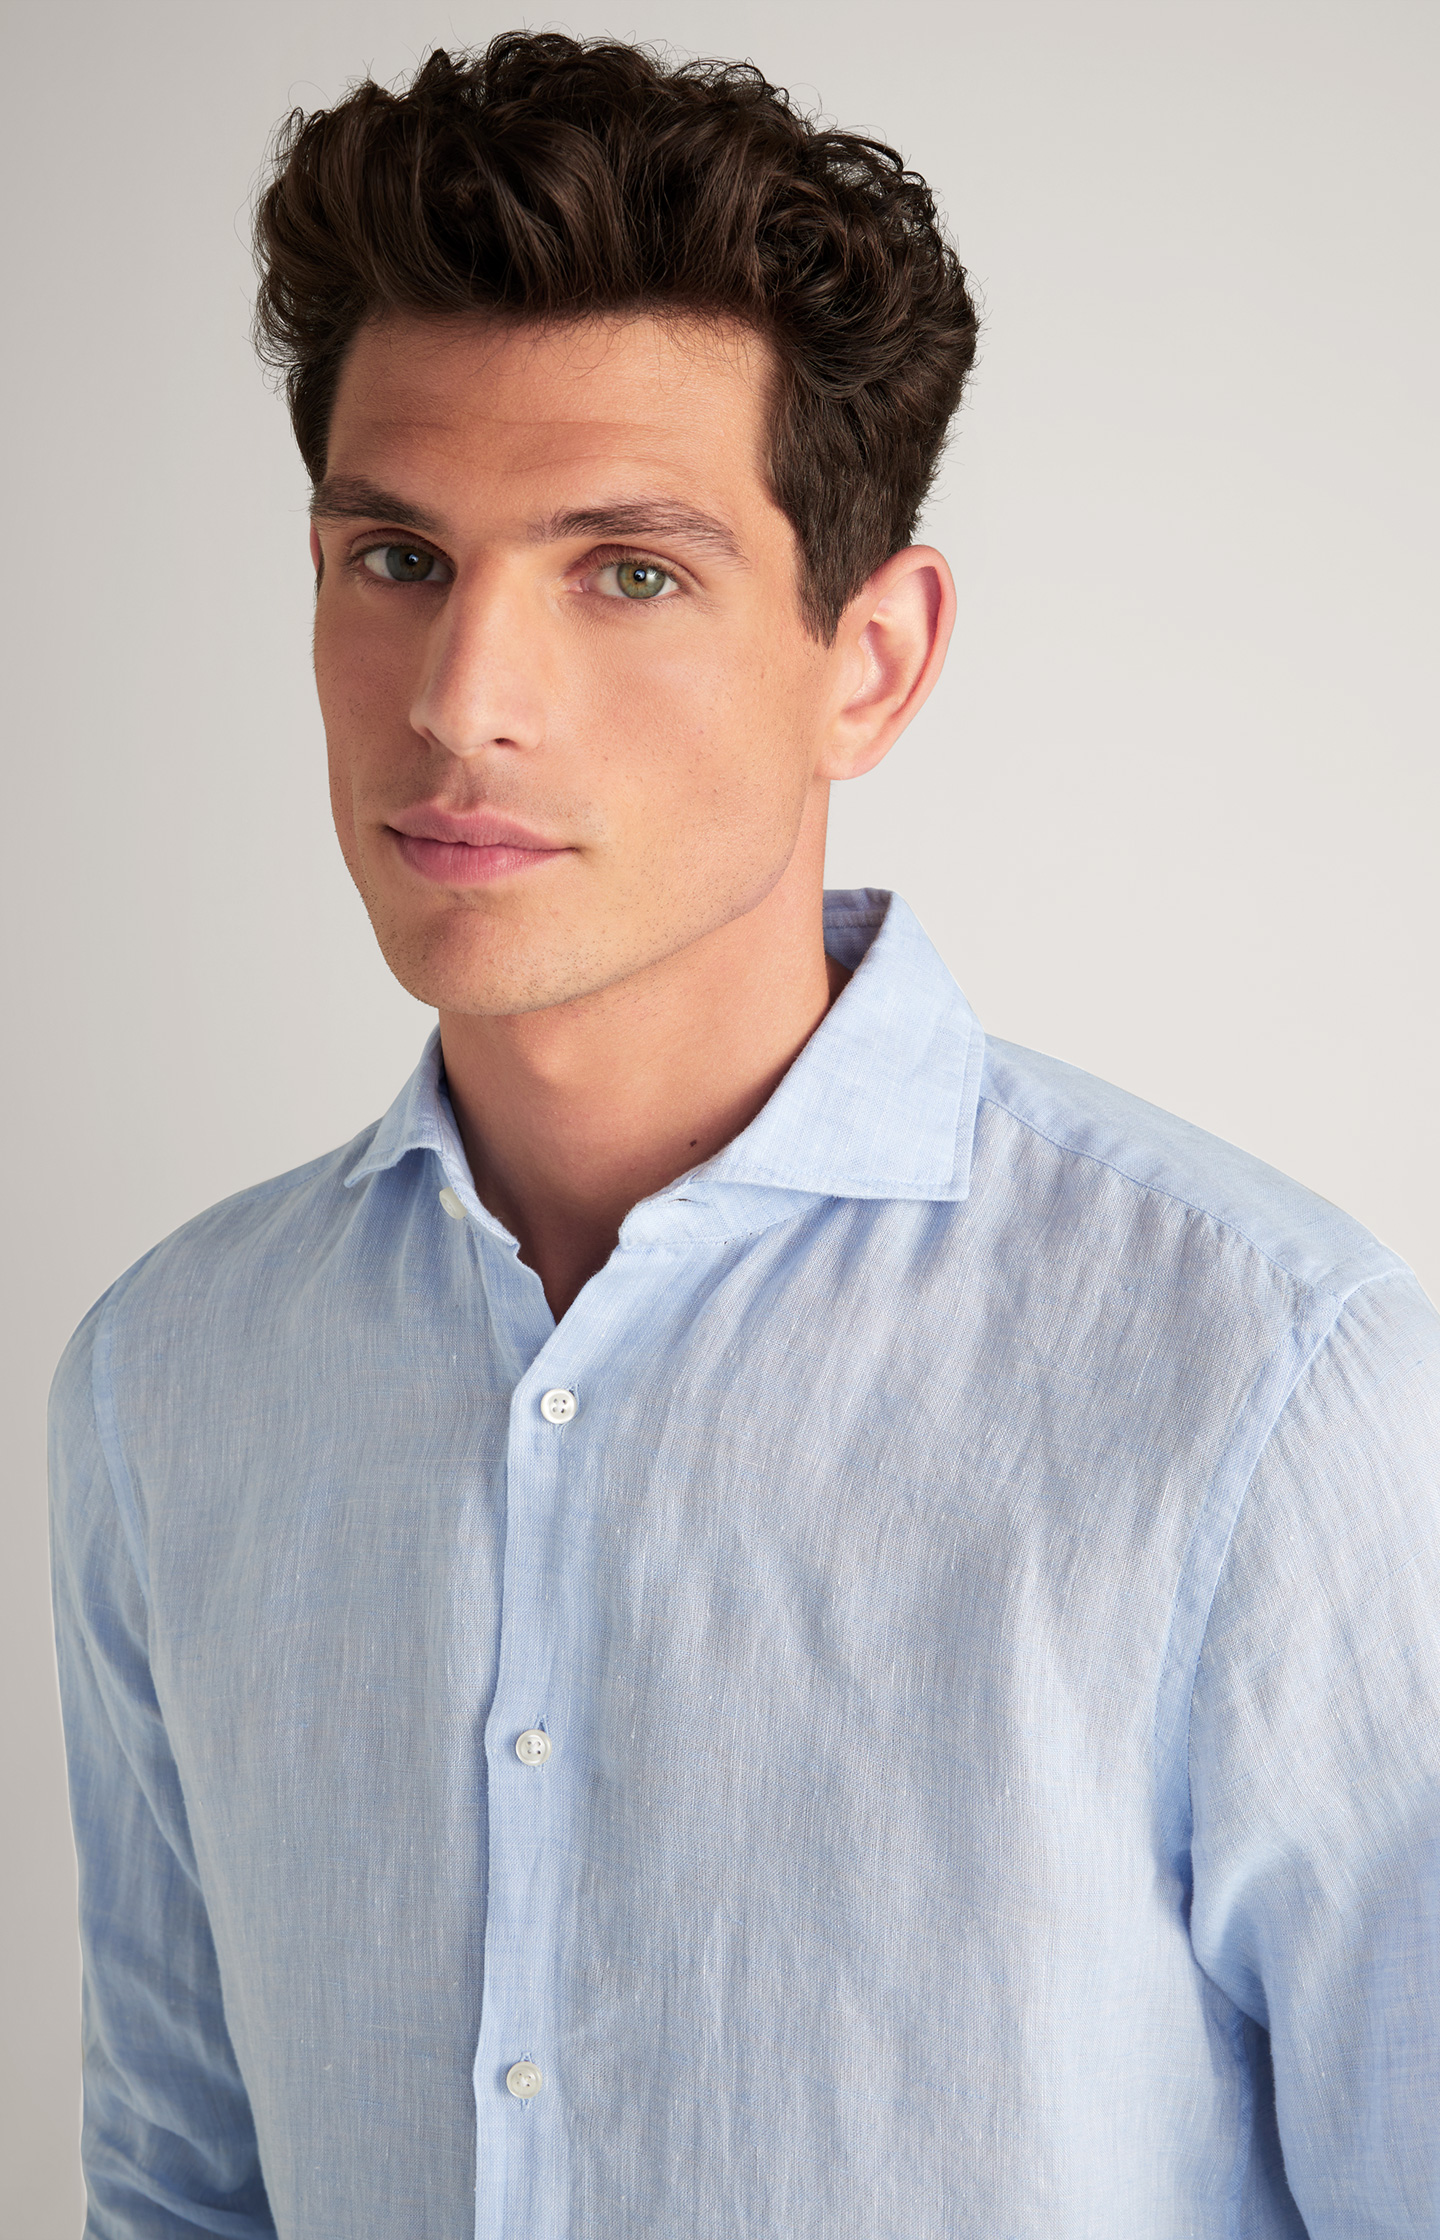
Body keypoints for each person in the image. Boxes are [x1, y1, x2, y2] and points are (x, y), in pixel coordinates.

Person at [48, 31, 1439, 2240]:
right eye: (396, 555)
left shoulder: (1269, 1385)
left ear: (869, 661)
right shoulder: (169, 1378)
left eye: (628, 571)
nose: (462, 699)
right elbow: (182, 2188)